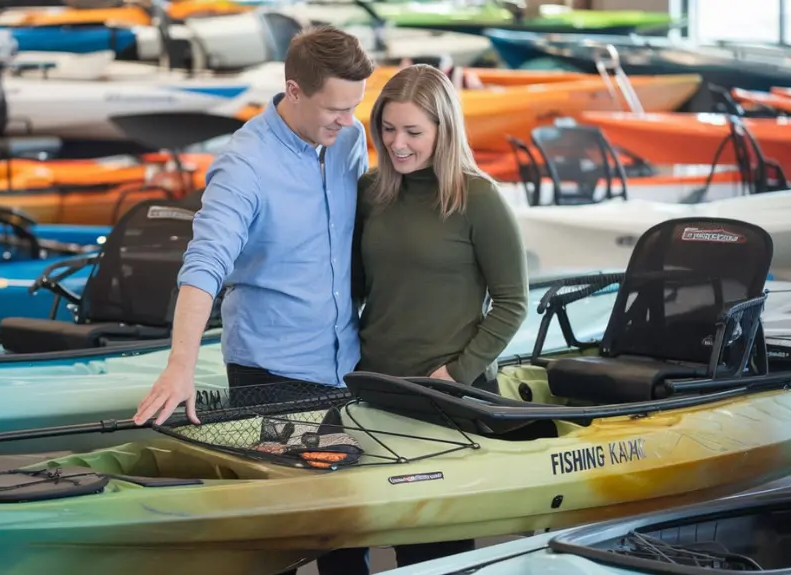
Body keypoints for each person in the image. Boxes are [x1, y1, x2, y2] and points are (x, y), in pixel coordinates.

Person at [132, 24, 375, 575]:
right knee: (279, 540)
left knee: (345, 532)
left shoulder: (348, 140)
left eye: (354, 107)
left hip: (344, 364)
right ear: (294, 91)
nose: (348, 120)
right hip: (271, 370)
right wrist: (180, 366)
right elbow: (204, 266)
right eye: (335, 108)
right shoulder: (243, 166)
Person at [352, 63, 530, 567]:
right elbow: (354, 289)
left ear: (444, 130)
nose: (397, 144)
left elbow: (513, 302)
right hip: (377, 387)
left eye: (413, 132)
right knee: (369, 527)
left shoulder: (479, 198)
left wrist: (455, 375)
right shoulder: (372, 193)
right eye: (387, 129)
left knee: (431, 551)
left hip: (447, 394)